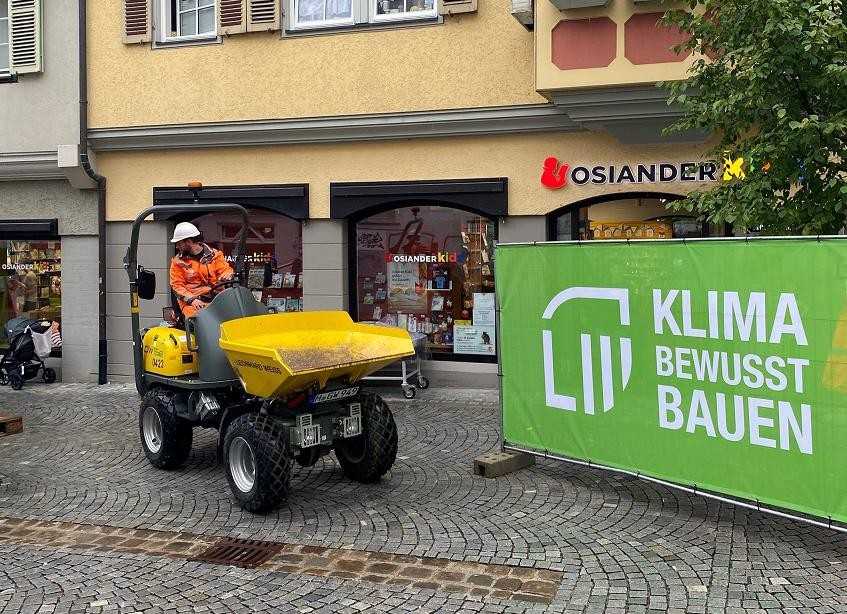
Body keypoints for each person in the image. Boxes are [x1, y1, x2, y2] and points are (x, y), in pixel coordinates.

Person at [169, 222, 235, 318]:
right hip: (192, 304)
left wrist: (227, 274)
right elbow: (177, 286)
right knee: (201, 319)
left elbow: (225, 270)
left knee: (235, 317)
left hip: (217, 300)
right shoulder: (177, 263)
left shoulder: (215, 255)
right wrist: (192, 300)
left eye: (179, 243)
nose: (177, 247)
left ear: (188, 241)